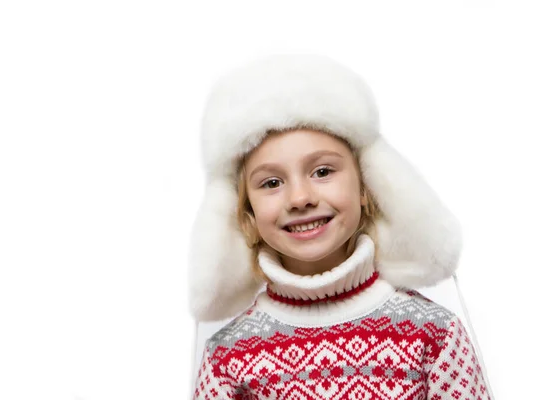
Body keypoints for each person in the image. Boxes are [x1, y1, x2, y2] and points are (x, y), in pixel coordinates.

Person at [188, 54, 491, 399]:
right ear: (248, 216)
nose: (300, 198)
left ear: (366, 188)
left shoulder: (433, 334)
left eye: (322, 171)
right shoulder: (228, 357)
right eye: (271, 183)